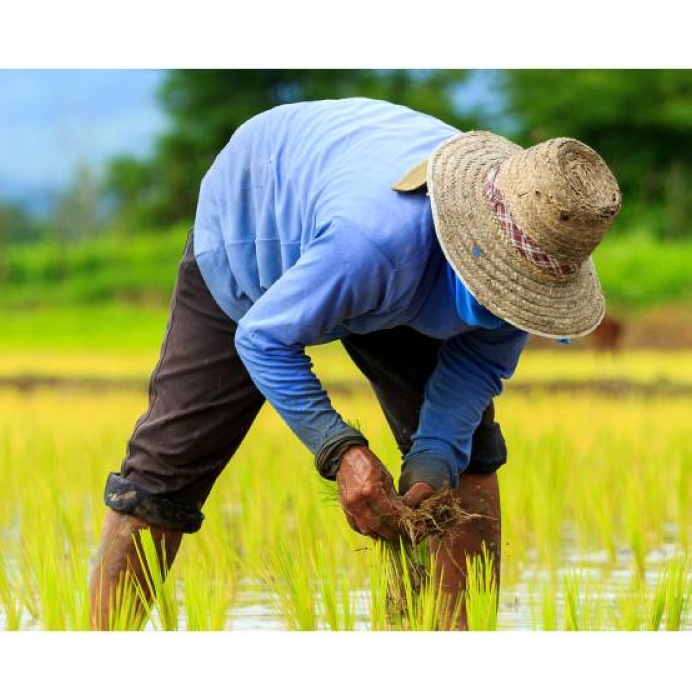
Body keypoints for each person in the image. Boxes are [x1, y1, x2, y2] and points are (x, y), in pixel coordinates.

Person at [88, 97, 622, 630]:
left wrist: (435, 458)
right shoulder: (373, 242)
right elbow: (263, 338)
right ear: (474, 247)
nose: (511, 301)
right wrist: (340, 451)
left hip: (393, 265)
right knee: (167, 469)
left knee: (467, 466)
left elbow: (476, 369)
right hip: (256, 222)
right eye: (504, 285)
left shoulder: (535, 257)